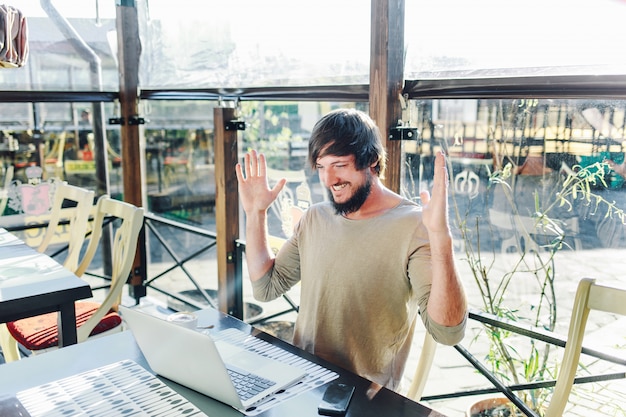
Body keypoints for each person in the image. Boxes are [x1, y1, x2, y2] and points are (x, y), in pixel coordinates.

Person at [236, 108, 467, 391]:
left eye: (340, 165)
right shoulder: (314, 218)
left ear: (371, 159)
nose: (329, 179)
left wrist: (442, 239)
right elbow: (266, 287)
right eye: (322, 167)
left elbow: (447, 332)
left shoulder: (415, 225)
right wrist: (256, 213)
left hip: (364, 399)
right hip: (300, 384)